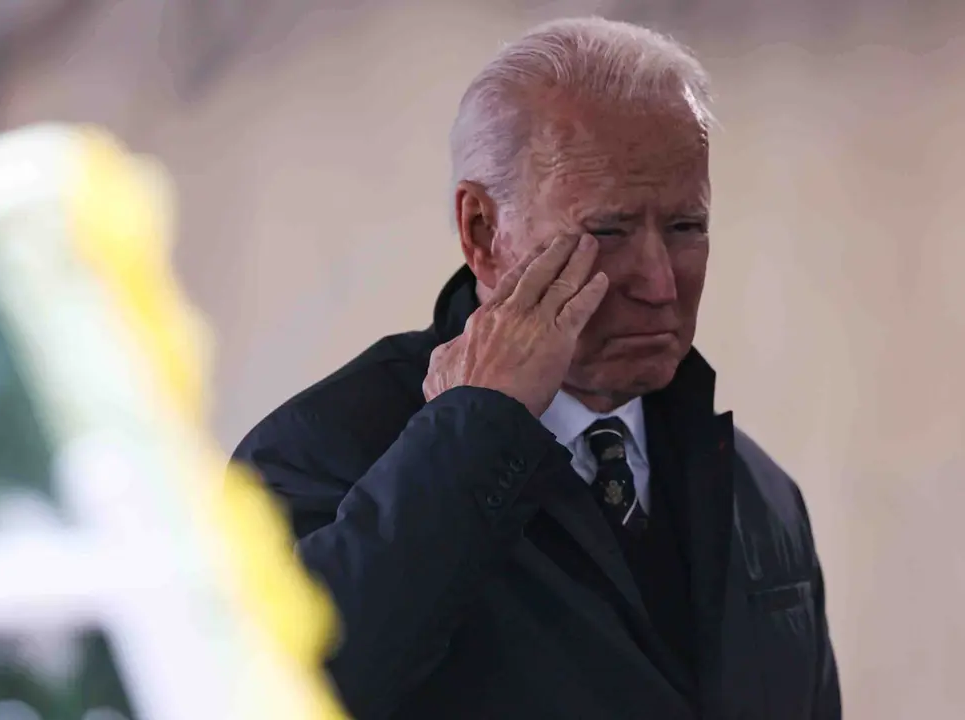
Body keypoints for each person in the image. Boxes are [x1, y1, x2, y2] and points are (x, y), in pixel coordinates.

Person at [232, 16, 841, 720]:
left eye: (686, 228)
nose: (659, 283)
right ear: (483, 232)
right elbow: (280, 693)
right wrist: (476, 434)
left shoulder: (761, 496)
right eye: (607, 231)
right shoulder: (316, 452)